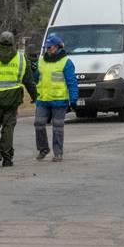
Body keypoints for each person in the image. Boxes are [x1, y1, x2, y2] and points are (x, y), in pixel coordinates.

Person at [0, 31, 38, 167]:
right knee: (8, 128)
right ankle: (7, 158)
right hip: (12, 99)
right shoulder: (21, 58)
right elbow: (29, 80)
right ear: (13, 43)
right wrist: (34, 96)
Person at [35, 34, 78, 162]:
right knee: (38, 124)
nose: (48, 49)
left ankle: (58, 153)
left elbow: (72, 82)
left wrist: (74, 99)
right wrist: (33, 71)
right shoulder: (41, 61)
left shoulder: (66, 62)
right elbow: (36, 78)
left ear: (58, 47)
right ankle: (43, 148)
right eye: (47, 47)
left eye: (50, 47)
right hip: (43, 99)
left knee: (58, 126)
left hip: (59, 100)